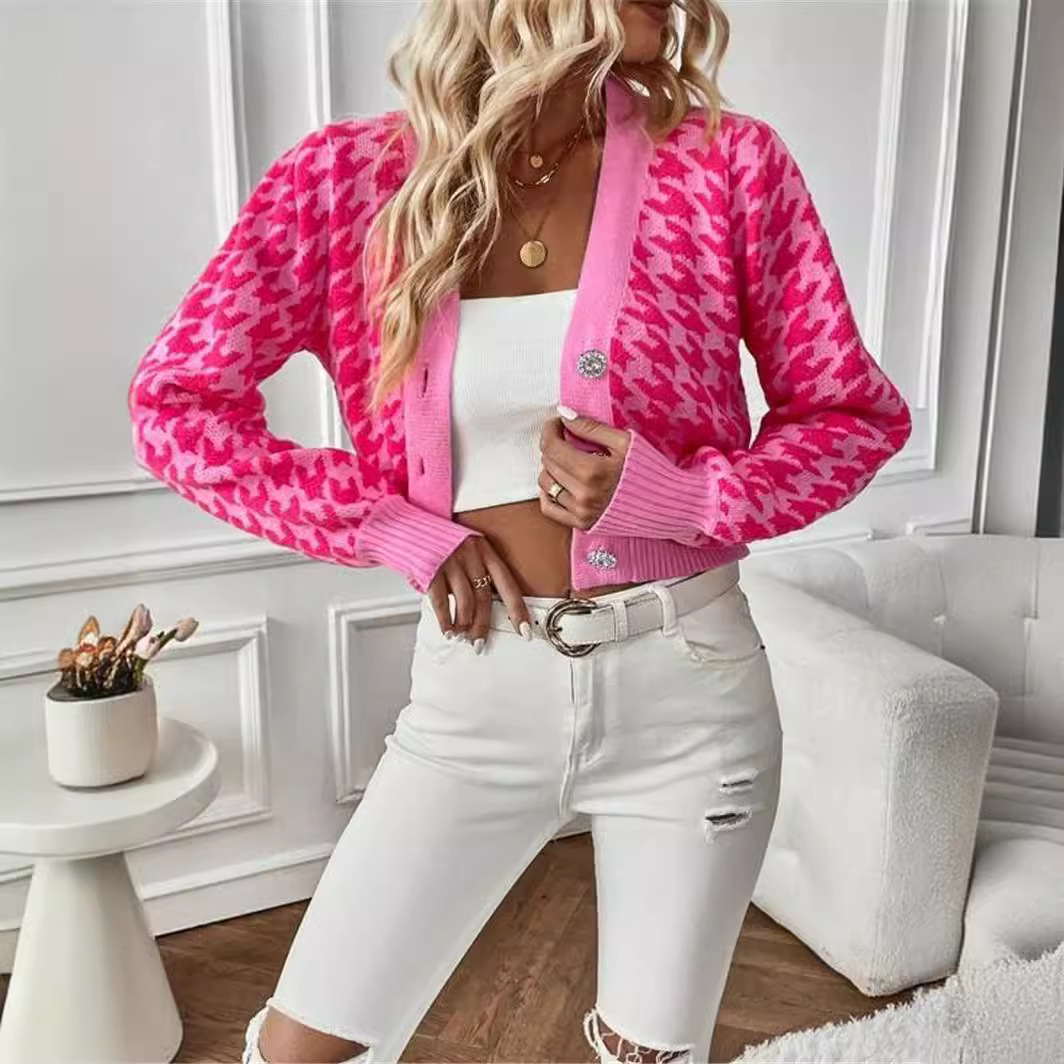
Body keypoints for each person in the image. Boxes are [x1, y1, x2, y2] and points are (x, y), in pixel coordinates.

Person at [127, 1, 912, 1061]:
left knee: (651, 1052)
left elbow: (851, 417)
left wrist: (682, 499)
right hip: (476, 693)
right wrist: (388, 525)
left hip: (692, 693)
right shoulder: (343, 183)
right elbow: (177, 404)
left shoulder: (727, 167)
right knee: (302, 1046)